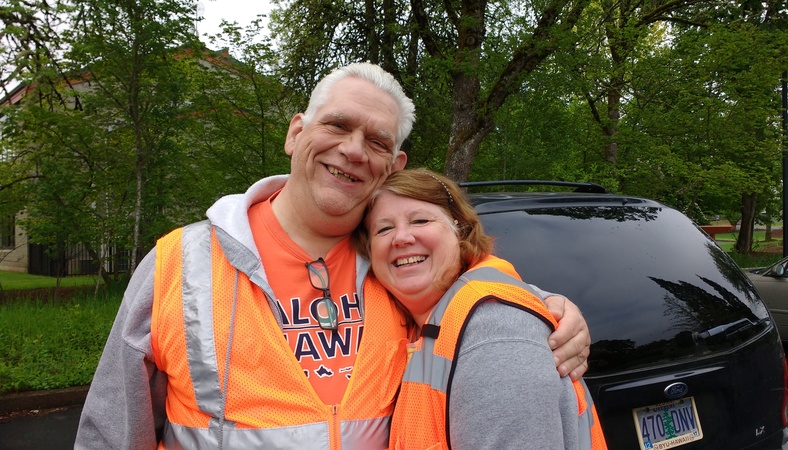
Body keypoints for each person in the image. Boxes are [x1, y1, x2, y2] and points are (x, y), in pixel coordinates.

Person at [75, 62, 591, 449]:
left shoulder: (397, 266)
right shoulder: (179, 264)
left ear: (393, 165)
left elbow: (476, 299)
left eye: (376, 141)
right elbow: (110, 431)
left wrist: (546, 306)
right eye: (338, 125)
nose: (353, 149)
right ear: (295, 132)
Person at [354, 168, 607, 449]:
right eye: (384, 228)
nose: (401, 238)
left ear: (460, 229)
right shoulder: (421, 323)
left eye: (421, 220)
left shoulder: (493, 329)